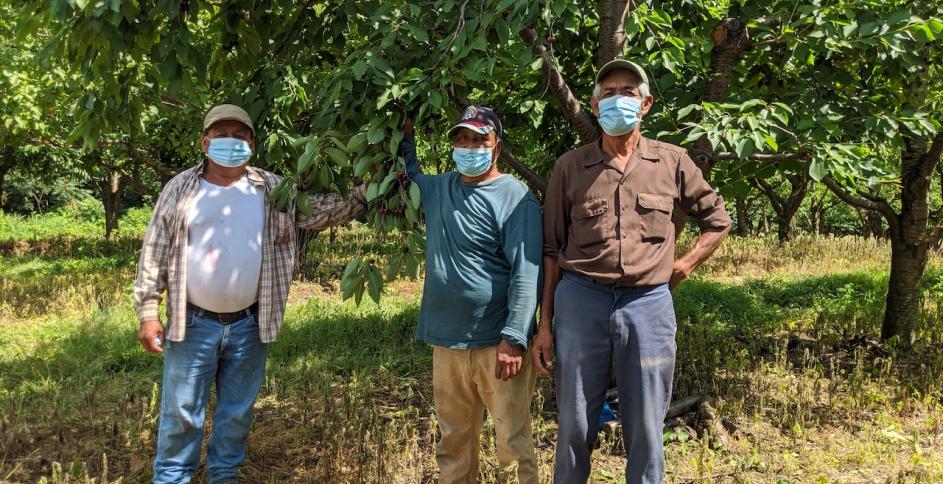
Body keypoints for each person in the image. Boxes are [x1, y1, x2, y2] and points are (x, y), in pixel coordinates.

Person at [134, 104, 367, 483]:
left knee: (237, 413)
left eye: (240, 135)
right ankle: (172, 477)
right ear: (204, 141)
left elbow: (320, 211)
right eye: (222, 134)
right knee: (181, 413)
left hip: (249, 323)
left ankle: (223, 476)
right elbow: (155, 250)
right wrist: (148, 312)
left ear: (253, 143)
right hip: (193, 323)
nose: (231, 142)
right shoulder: (181, 188)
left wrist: (366, 191)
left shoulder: (271, 187)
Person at [534, 59, 732, 483]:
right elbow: (551, 249)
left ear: (645, 104)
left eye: (628, 92)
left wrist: (681, 266)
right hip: (580, 301)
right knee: (573, 424)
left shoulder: (672, 162)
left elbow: (718, 220)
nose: (617, 100)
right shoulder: (569, 167)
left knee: (645, 425)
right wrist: (545, 325)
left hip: (648, 304)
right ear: (593, 104)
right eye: (608, 93)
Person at [398, 106, 543, 483]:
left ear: (496, 146)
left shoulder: (515, 197)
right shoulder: (439, 188)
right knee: (454, 440)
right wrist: (405, 132)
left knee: (511, 442)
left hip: (497, 345)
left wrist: (514, 338)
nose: (469, 146)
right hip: (447, 343)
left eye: (479, 139)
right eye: (462, 139)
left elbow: (527, 273)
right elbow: (406, 172)